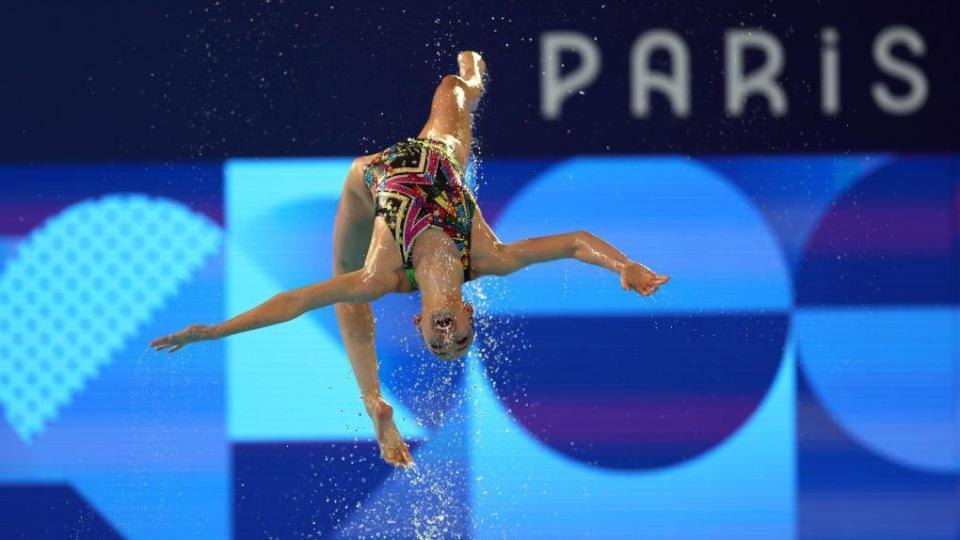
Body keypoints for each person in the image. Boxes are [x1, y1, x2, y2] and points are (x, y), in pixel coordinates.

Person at [150, 51, 670, 468]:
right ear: (468, 315)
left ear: (420, 321)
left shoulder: (387, 275)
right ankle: (476, 82)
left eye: (437, 341)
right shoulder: (490, 257)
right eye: (460, 338)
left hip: (370, 181)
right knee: (453, 85)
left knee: (349, 289)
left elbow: (294, 300)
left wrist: (217, 331)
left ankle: (374, 402)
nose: (448, 336)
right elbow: (575, 241)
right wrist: (623, 265)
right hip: (438, 159)